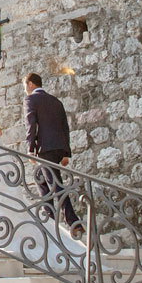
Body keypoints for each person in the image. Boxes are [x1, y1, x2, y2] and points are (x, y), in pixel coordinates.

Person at [23, 72, 82, 237]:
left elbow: (31, 124)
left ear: (30, 84)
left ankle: (73, 221)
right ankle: (49, 217)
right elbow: (65, 127)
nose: (25, 90)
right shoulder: (56, 101)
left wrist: (30, 148)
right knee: (41, 179)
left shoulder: (31, 99)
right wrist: (66, 153)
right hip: (58, 148)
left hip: (45, 148)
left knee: (55, 184)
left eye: (25, 86)